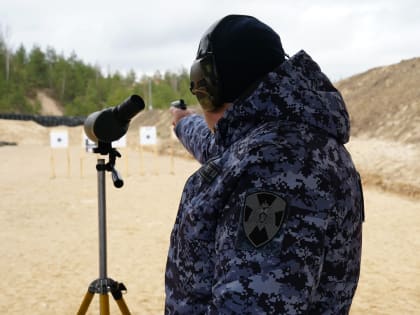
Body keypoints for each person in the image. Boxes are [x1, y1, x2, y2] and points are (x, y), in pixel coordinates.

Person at [165, 14, 364, 314]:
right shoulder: (282, 143)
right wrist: (183, 123)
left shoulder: (270, 170)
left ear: (215, 87)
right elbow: (219, 149)